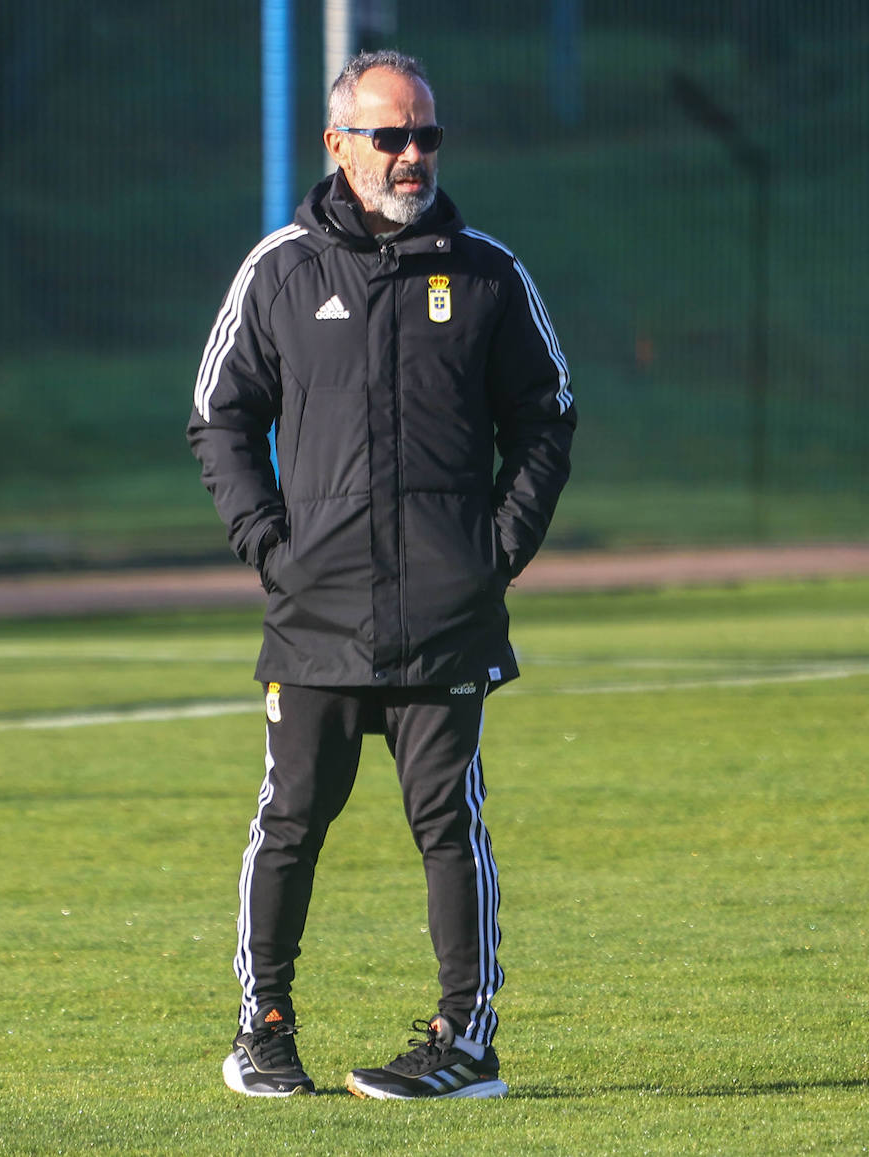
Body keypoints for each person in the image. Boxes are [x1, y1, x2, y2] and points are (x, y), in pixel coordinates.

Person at [187, 49, 575, 1100]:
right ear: (338, 144)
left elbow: (546, 419)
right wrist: (270, 545)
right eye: (390, 136)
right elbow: (220, 415)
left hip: (445, 611)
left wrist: (493, 555)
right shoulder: (280, 270)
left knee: (448, 821)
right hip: (316, 609)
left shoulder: (488, 273)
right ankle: (263, 1027)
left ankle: (465, 1041)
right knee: (291, 818)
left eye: (427, 136)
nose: (413, 156)